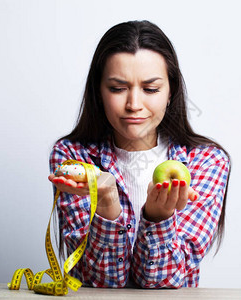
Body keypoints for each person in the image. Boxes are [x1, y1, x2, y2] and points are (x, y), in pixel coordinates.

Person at [48, 20, 230, 288]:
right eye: (117, 88)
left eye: (151, 89)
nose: (134, 105)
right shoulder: (72, 156)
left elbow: (164, 282)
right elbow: (101, 281)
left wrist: (158, 217)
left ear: (171, 93)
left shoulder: (207, 162)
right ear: (98, 93)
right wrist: (107, 204)